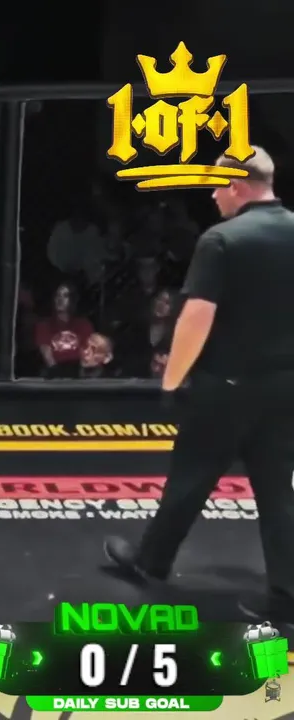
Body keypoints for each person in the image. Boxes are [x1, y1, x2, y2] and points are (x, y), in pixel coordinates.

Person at [104, 146, 294, 624]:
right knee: (279, 491)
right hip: (285, 385)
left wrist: (171, 382)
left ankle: (152, 561)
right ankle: (288, 594)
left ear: (236, 186)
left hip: (227, 385)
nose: (211, 196)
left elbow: (196, 318)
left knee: (191, 476)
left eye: (216, 186)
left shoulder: (222, 239)